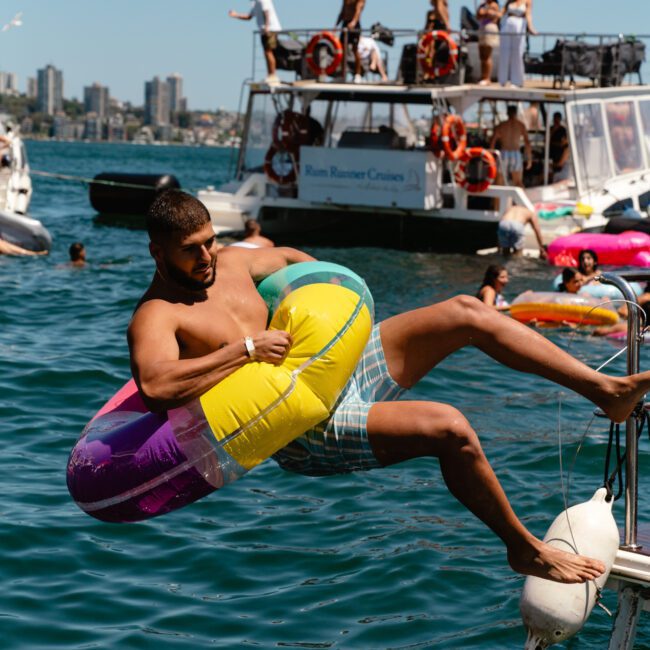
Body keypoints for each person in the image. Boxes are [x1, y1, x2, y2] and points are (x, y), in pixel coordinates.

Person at [129, 190, 650, 586]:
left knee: (466, 312)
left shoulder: (236, 262)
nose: (205, 258)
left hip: (335, 367)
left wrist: (335, 309)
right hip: (304, 425)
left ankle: (606, 390)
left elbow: (294, 261)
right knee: (450, 428)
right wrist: (244, 351)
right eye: (189, 251)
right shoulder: (157, 314)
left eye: (208, 242)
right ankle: (524, 549)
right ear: (158, 252)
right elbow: (155, 383)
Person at [228, 0, 282, 84]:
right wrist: (235, 15)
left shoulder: (262, 1)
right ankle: (270, 75)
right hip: (264, 30)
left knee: (268, 52)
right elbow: (249, 17)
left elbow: (267, 12)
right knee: (266, 52)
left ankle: (272, 76)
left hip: (270, 29)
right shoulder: (255, 4)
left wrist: (267, 27)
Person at [490, 105, 532, 188]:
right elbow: (527, 142)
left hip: (503, 153)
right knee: (518, 183)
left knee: (499, 184)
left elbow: (493, 141)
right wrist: (529, 158)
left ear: (507, 113)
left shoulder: (502, 125)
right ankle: (518, 201)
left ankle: (498, 201)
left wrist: (491, 157)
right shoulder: (520, 125)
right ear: (516, 113)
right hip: (516, 154)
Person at [498, 0, 536, 88]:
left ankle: (516, 81)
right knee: (504, 52)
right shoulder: (509, 1)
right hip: (507, 25)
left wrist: (530, 27)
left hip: (519, 25)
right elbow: (501, 13)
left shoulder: (527, 1)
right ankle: (502, 80)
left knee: (517, 53)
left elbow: (528, 14)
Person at [337, 0, 366, 83]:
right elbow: (342, 11)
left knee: (355, 49)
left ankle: (358, 74)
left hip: (355, 25)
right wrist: (336, 26)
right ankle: (343, 75)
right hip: (345, 23)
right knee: (342, 50)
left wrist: (353, 22)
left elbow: (358, 10)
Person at [476, 0, 500, 85]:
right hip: (482, 28)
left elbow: (495, 15)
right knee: (481, 55)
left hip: (490, 28)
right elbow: (478, 15)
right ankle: (483, 76)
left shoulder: (494, 5)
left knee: (487, 55)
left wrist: (485, 12)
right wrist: (483, 11)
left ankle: (487, 78)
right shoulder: (483, 5)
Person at [549, 112, 570, 182]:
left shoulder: (563, 130)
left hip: (560, 154)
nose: (556, 120)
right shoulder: (551, 129)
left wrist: (555, 143)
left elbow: (562, 143)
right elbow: (547, 141)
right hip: (551, 153)